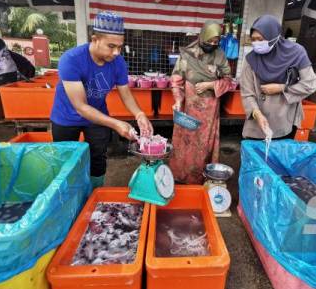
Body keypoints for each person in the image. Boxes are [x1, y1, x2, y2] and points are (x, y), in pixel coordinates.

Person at [51, 11, 153, 188]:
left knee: (98, 158)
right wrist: (116, 124)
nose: (116, 52)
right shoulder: (71, 60)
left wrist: (139, 114)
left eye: (120, 47)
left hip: (98, 116)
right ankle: (67, 195)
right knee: (65, 160)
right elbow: (81, 107)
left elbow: (125, 93)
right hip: (66, 117)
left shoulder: (118, 62)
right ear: (94, 39)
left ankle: (95, 193)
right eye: (111, 46)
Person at [169, 21, 232, 184]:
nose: (212, 45)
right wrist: (177, 100)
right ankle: (181, 176)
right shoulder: (188, 54)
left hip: (209, 109)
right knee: (185, 141)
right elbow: (176, 80)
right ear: (202, 36)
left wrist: (210, 84)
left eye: (215, 42)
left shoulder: (220, 55)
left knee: (203, 144)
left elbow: (228, 80)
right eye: (209, 41)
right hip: (188, 105)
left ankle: (200, 177)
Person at [240, 14, 316, 140]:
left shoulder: (297, 53)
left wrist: (282, 88)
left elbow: (310, 85)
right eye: (253, 39)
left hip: (285, 117)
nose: (256, 44)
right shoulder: (251, 59)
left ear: (273, 36)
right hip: (258, 119)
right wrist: (257, 114)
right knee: (256, 155)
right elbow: (247, 93)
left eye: (260, 39)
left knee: (280, 154)